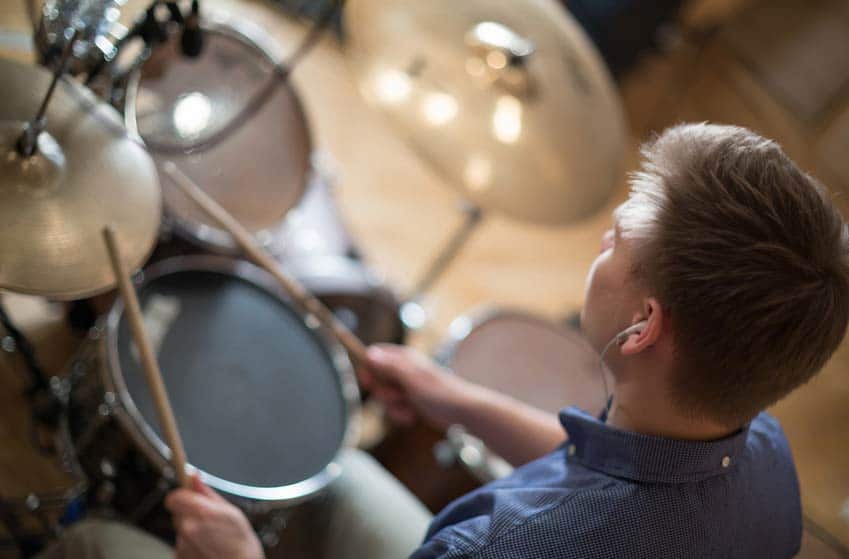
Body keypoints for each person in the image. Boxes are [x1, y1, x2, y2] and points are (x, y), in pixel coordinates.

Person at [37, 123, 849, 558]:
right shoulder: (764, 457)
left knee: (94, 542)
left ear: (642, 327)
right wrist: (454, 399)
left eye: (618, 240)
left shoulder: (503, 547)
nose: (602, 237)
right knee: (340, 475)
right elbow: (604, 470)